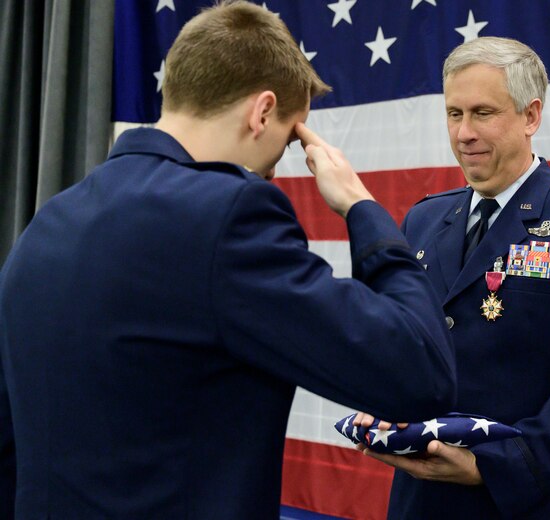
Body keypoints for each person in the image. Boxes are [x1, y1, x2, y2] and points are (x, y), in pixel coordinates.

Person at [0, 2, 457, 518]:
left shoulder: (47, 225)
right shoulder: (229, 215)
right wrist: (360, 206)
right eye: (288, 139)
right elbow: (420, 374)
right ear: (262, 112)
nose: (278, 167)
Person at [356, 37, 550, 519]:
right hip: (422, 502)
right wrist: (381, 403)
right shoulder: (424, 221)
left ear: (531, 116)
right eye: (454, 114)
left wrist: (492, 466)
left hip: (531, 500)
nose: (464, 133)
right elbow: (402, 347)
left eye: (483, 113)